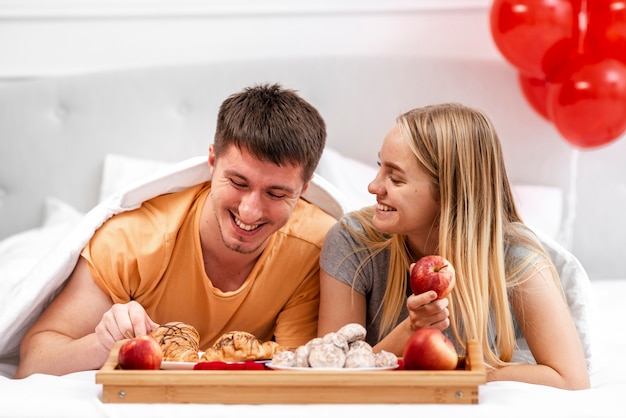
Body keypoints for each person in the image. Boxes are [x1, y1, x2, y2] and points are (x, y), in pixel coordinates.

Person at [15, 83, 337, 378]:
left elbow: (297, 370)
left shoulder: (315, 247)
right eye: (238, 182)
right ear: (212, 161)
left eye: (276, 194)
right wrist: (105, 345)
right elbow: (34, 360)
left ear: (305, 188)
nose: (249, 211)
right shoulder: (132, 242)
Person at [318, 103, 590, 390]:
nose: (374, 187)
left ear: (448, 192)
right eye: (379, 168)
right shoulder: (352, 242)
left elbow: (570, 377)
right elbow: (331, 375)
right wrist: (411, 329)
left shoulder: (512, 257)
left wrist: (464, 371)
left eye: (395, 178)